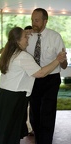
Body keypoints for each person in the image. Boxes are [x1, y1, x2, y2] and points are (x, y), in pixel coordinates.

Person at [0, 27, 66, 144]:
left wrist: (24, 32)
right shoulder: (23, 56)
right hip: (14, 99)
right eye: (25, 37)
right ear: (17, 41)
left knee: (6, 134)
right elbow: (41, 73)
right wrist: (58, 60)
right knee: (10, 135)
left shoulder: (9, 52)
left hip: (4, 96)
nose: (28, 39)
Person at [26, 8, 68, 144]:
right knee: (34, 114)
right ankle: (39, 138)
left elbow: (64, 64)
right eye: (32, 20)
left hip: (51, 80)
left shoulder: (55, 37)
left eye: (36, 20)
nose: (33, 23)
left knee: (47, 113)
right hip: (33, 79)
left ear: (45, 21)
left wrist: (63, 61)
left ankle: (46, 141)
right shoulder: (28, 36)